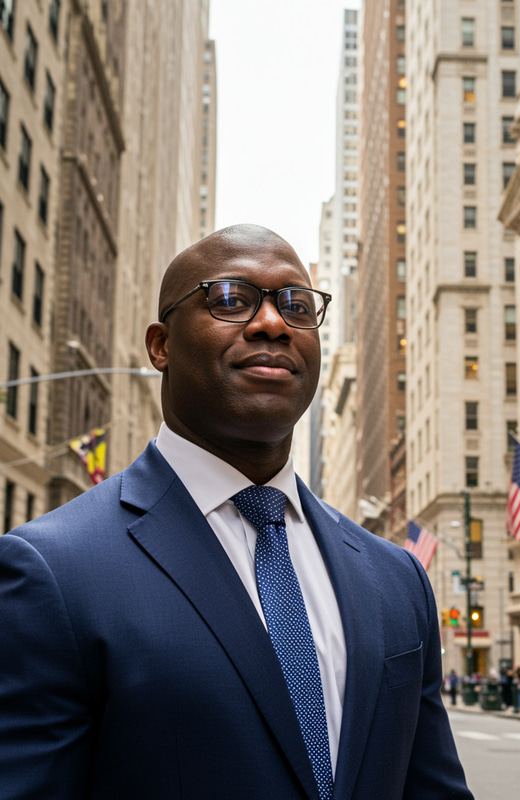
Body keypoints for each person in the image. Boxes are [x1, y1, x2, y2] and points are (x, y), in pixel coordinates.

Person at [0, 225, 473, 800]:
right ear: (161, 345)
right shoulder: (50, 571)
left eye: (296, 305)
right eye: (230, 299)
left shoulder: (397, 578)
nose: (273, 323)